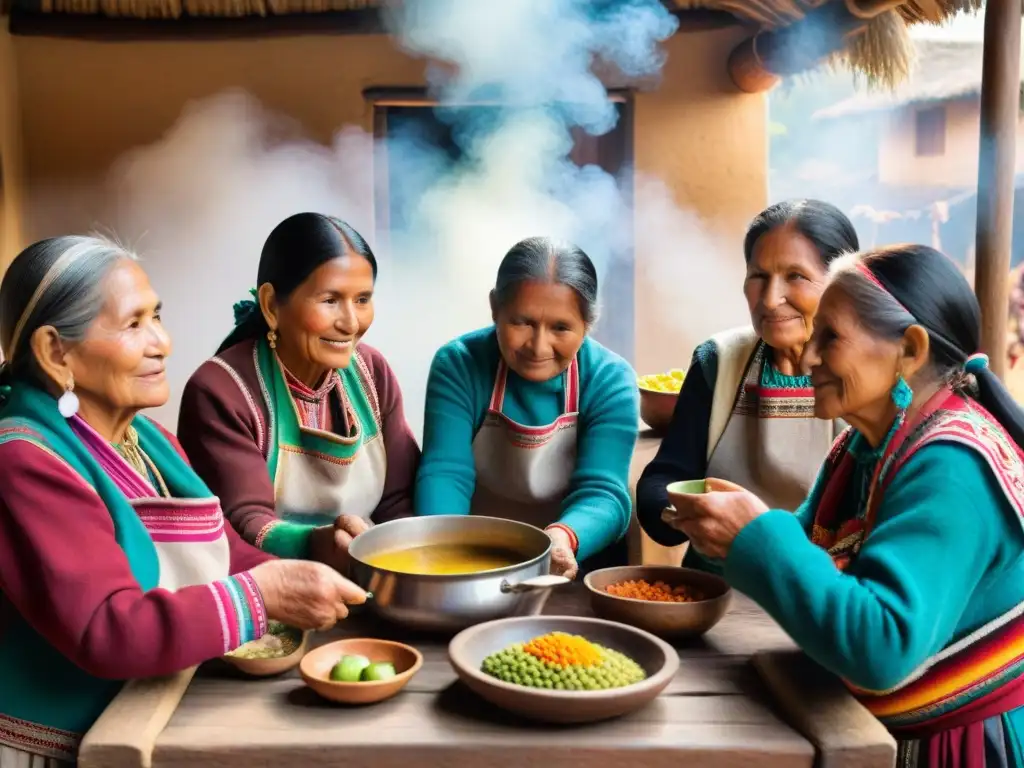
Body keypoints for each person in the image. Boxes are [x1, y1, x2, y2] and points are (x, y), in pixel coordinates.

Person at [0, 236, 366, 767]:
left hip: (145, 713)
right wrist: (261, 597)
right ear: (55, 350)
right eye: (133, 324)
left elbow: (223, 554)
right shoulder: (25, 460)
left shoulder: (147, 440)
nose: (162, 342)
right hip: (56, 747)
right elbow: (105, 629)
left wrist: (313, 562)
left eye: (157, 316)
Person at [665, 244, 1024, 766]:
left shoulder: (954, 466)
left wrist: (756, 536)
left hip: (960, 747)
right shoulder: (863, 448)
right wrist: (724, 538)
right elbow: (805, 557)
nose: (807, 357)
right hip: (872, 731)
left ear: (910, 350)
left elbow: (882, 647)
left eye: (829, 338)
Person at [177, 214, 419, 573]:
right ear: (273, 305)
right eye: (330, 300)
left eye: (363, 299)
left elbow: (398, 499)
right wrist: (318, 543)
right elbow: (243, 521)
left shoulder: (372, 371)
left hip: (371, 575)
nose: (351, 323)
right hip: (271, 587)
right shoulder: (221, 391)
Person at [636, 199, 859, 572]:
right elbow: (666, 475)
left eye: (796, 276)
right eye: (759, 276)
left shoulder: (867, 372)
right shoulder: (720, 361)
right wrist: (685, 513)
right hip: (719, 585)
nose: (771, 300)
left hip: (824, 591)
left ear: (839, 285)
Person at [414, 236, 639, 580]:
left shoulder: (610, 379)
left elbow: (604, 493)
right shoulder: (459, 364)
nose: (538, 346)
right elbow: (445, 472)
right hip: (471, 559)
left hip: (577, 565)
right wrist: (447, 557)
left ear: (588, 323)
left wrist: (562, 539)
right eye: (522, 322)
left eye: (561, 327)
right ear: (494, 308)